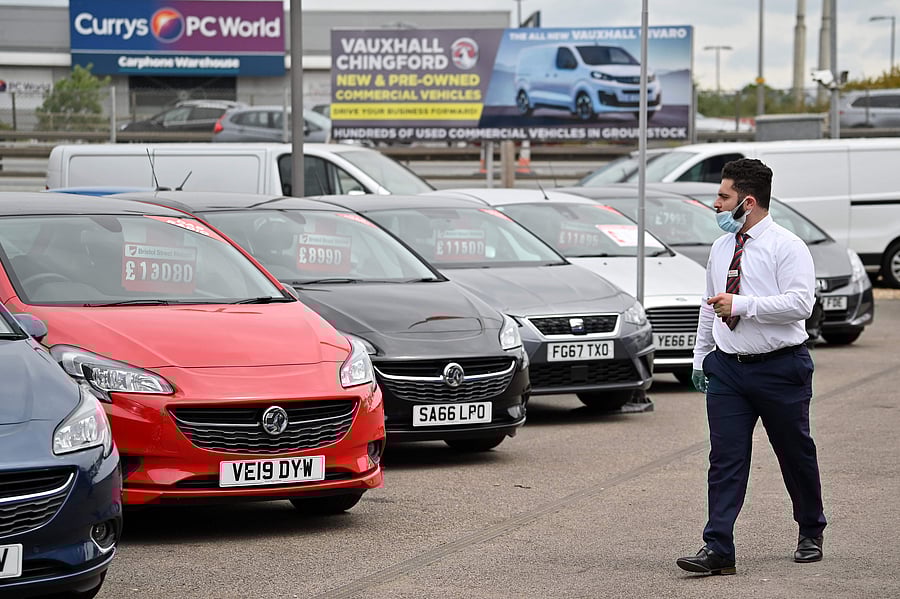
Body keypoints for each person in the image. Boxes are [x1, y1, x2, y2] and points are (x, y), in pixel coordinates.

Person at [677, 158, 826, 575]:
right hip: (727, 369)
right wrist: (700, 358)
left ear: (748, 202)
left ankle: (810, 530)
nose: (716, 204)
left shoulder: (787, 246)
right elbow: (709, 305)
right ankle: (718, 548)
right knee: (725, 459)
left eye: (722, 197)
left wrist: (743, 305)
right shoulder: (721, 247)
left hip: (781, 368)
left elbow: (800, 304)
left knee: (794, 453)